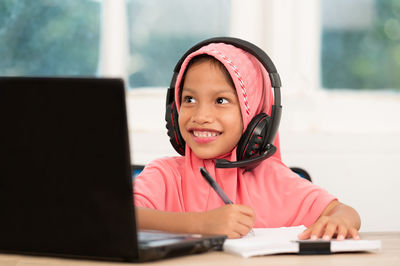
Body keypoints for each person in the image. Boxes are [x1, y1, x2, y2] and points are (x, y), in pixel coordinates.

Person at [134, 38, 361, 240]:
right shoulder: (164, 175)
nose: (201, 116)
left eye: (221, 101)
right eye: (189, 99)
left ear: (255, 119)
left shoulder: (275, 180)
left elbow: (345, 212)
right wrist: (202, 224)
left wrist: (338, 221)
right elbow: (122, 216)